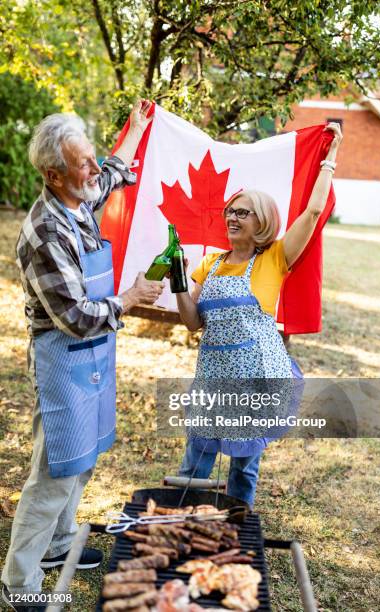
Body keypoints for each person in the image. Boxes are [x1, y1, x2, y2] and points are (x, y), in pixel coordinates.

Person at [2, 100, 164, 611]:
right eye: (82, 163)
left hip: (92, 357)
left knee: (83, 460)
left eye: (92, 158)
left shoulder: (78, 199)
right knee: (54, 474)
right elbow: (74, 315)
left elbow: (113, 173)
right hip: (64, 359)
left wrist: (136, 130)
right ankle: (19, 581)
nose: (94, 170)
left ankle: (56, 546)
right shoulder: (45, 232)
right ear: (53, 175)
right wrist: (131, 299)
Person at [175, 122, 343, 508]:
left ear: (261, 221)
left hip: (256, 383)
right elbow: (191, 321)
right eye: (230, 211)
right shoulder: (210, 263)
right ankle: (184, 530)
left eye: (242, 212)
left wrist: (328, 161)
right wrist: (180, 282)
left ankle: (236, 535)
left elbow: (314, 210)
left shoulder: (275, 259)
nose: (232, 217)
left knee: (243, 470)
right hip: (213, 381)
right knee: (195, 464)